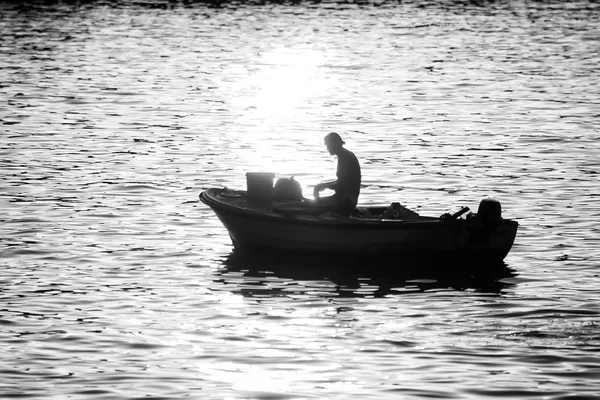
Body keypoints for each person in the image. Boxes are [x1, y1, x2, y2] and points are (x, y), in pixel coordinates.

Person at [312, 132, 361, 215]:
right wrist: (323, 185)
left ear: (334, 144)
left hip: (346, 202)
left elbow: (341, 185)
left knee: (312, 206)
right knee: (313, 203)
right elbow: (341, 181)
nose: (327, 148)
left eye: (328, 145)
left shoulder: (346, 157)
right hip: (343, 199)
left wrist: (323, 186)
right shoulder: (344, 155)